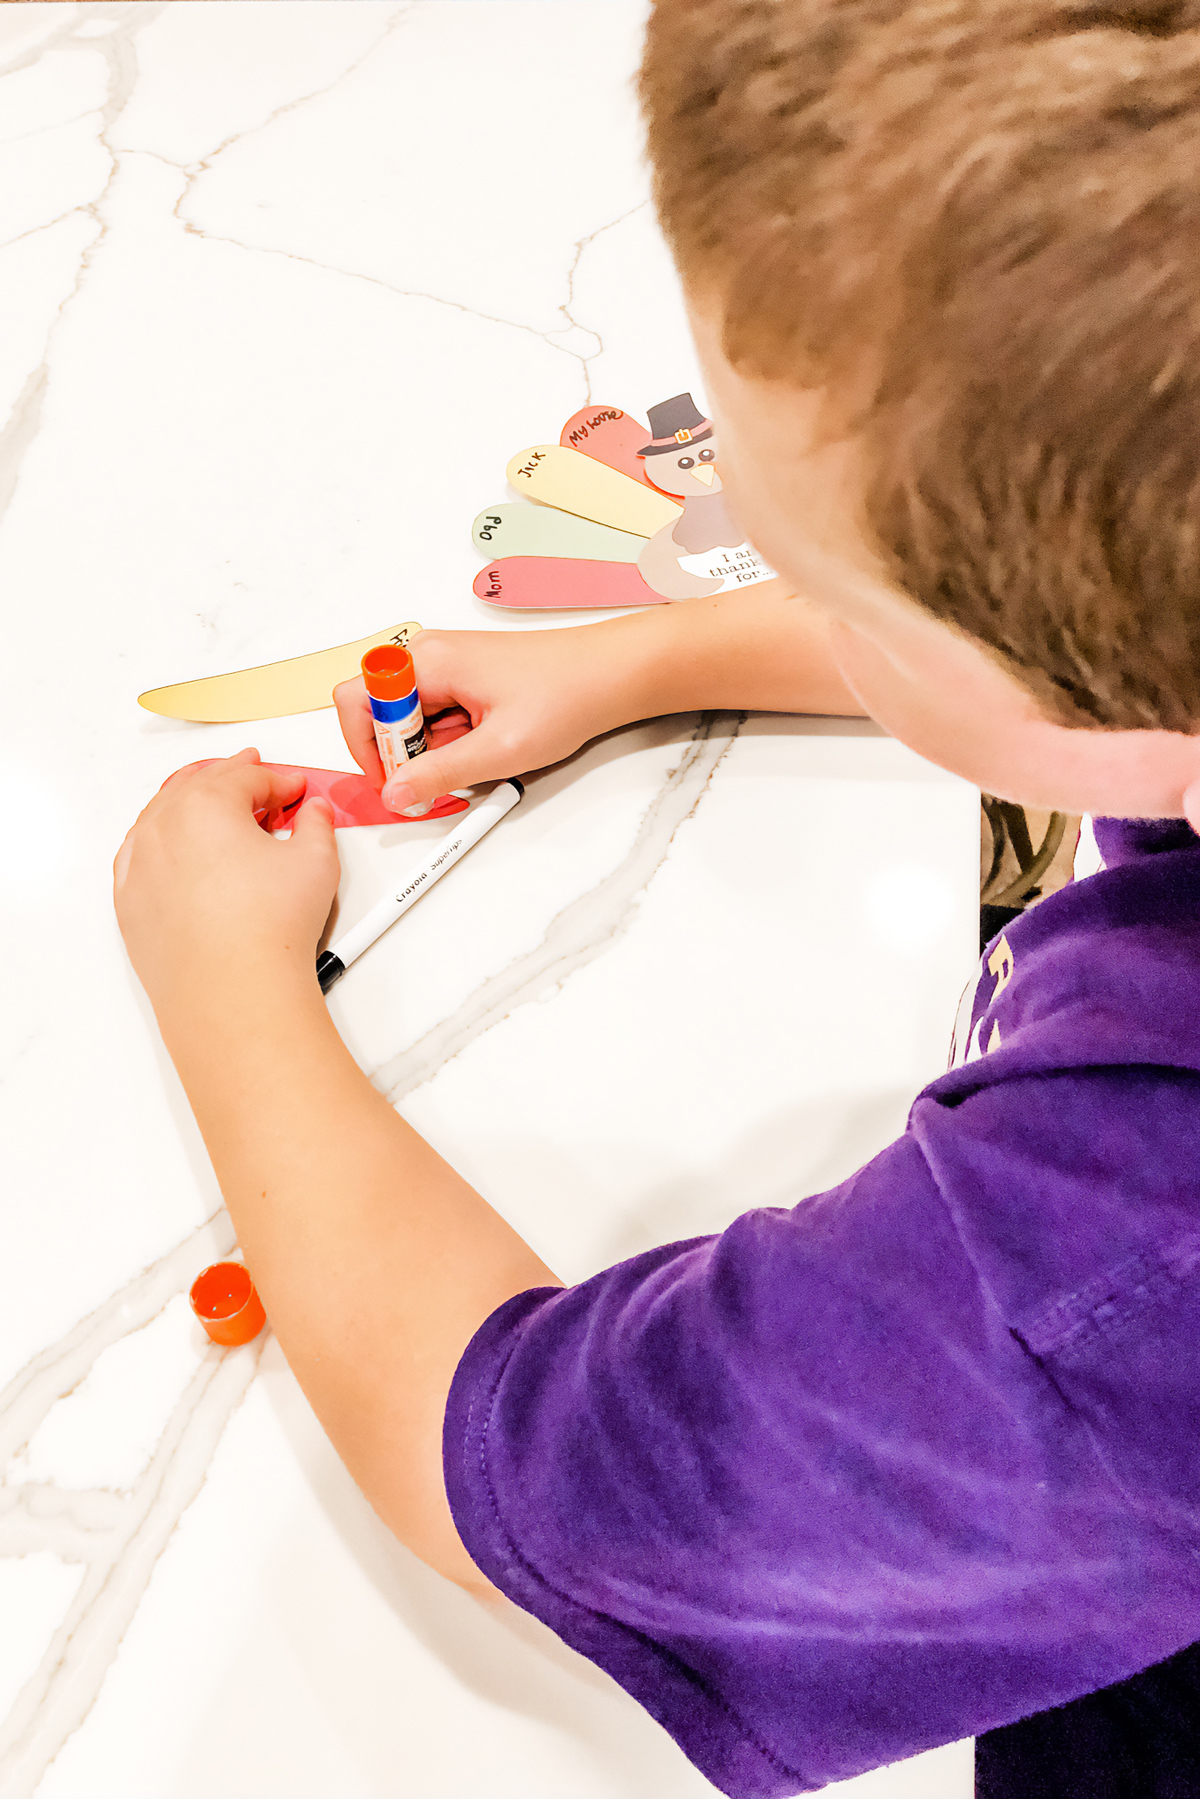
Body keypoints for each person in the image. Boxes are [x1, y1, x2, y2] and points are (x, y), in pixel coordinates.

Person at [113, 3, 1200, 1794]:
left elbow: (537, 1473)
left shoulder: (1125, 1260)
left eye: (830, 586)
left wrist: (221, 982)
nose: (794, 599)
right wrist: (655, 653)